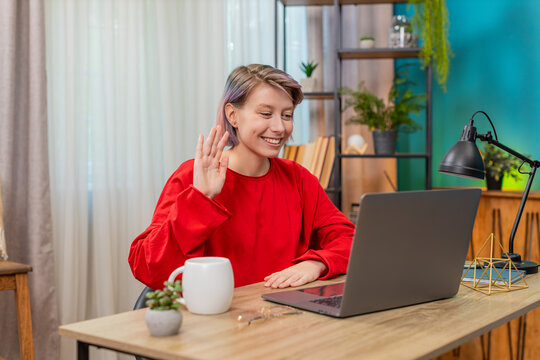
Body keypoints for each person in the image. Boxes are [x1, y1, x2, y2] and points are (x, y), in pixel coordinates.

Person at [128, 64, 354, 290]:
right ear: (232, 115)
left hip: (284, 317)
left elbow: (351, 241)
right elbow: (148, 268)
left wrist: (316, 264)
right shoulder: (192, 176)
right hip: (216, 318)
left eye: (287, 115)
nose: (279, 127)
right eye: (266, 113)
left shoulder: (298, 179)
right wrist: (200, 198)